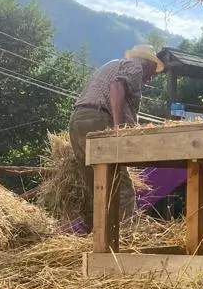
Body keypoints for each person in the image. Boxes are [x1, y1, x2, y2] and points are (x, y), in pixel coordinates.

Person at [68, 45, 165, 230]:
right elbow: (117, 87)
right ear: (147, 62)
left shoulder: (113, 65)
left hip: (77, 120)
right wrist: (118, 129)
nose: (151, 78)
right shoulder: (135, 66)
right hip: (99, 120)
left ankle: (93, 234)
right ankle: (129, 235)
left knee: (93, 183)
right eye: (153, 72)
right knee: (119, 182)